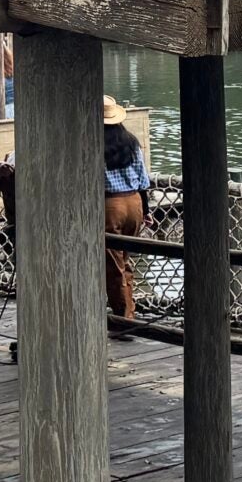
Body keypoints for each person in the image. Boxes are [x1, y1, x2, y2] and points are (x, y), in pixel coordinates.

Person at [102, 96, 149, 320]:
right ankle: (130, 309)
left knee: (113, 263)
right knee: (126, 259)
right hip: (135, 203)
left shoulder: (95, 144)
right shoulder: (131, 142)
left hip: (111, 204)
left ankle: (123, 317)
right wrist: (146, 211)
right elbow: (143, 179)